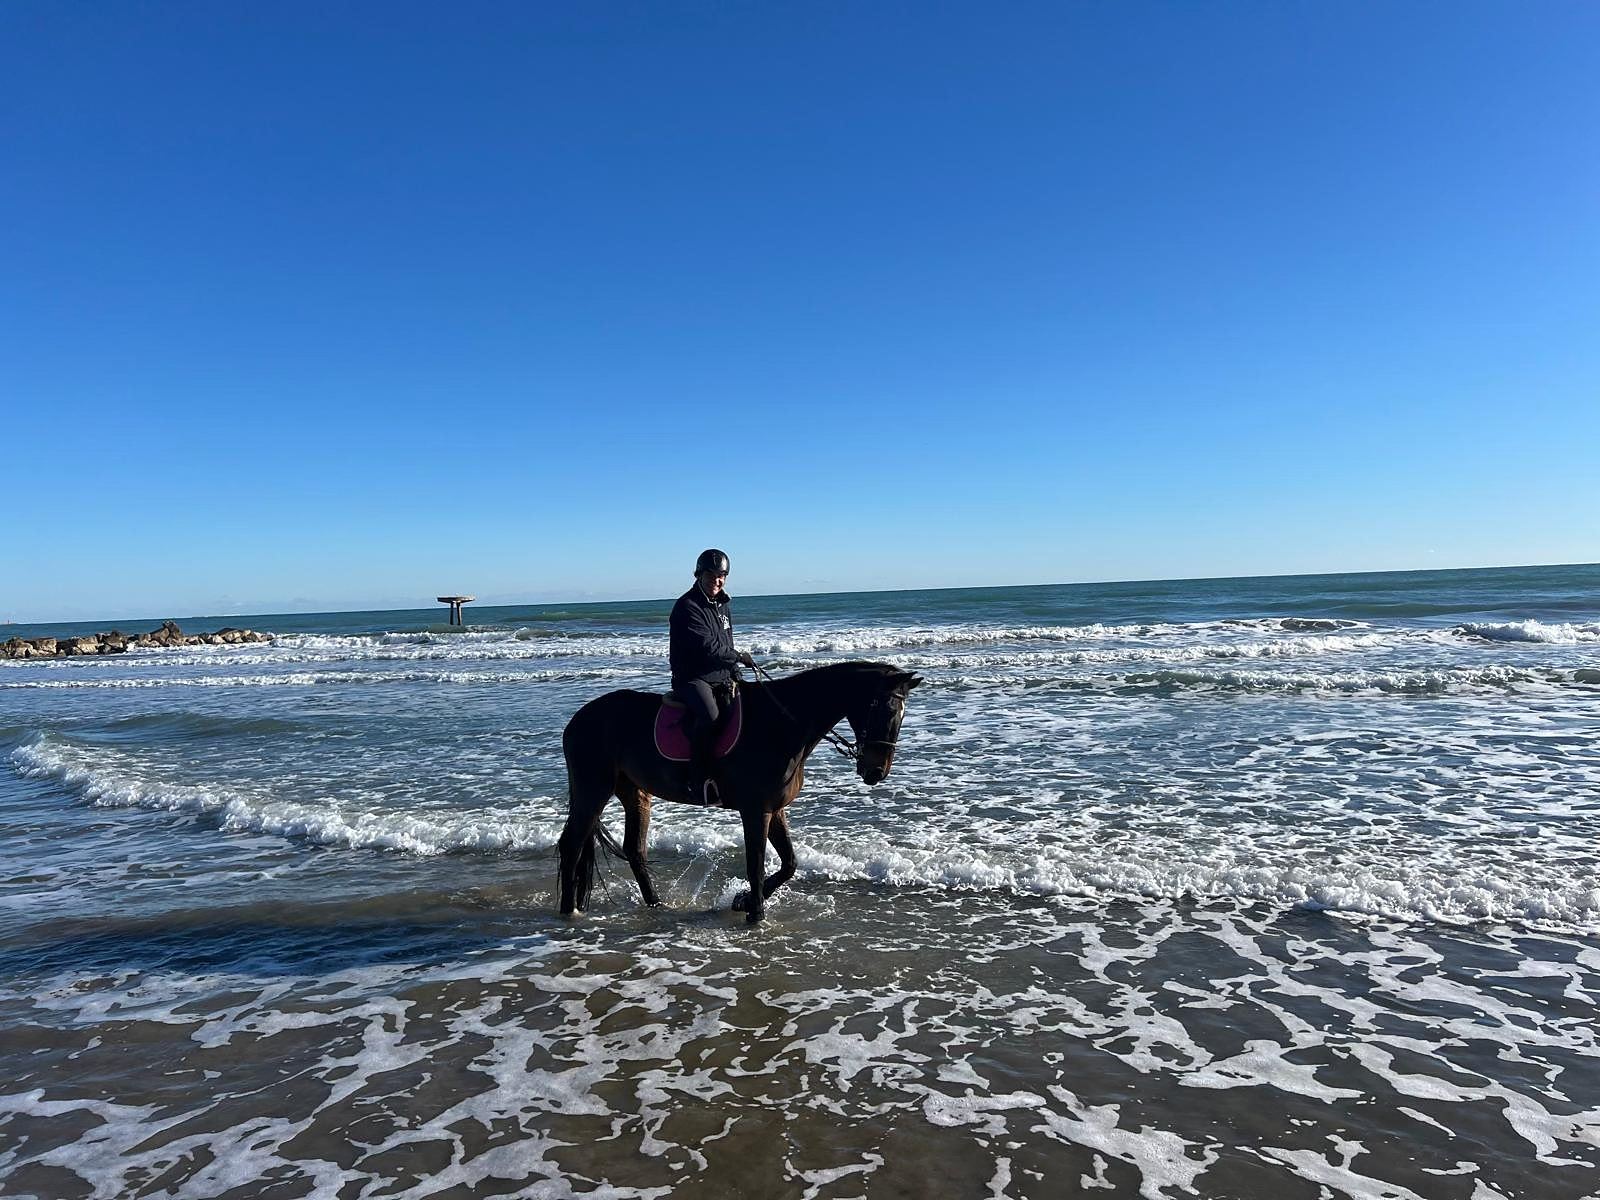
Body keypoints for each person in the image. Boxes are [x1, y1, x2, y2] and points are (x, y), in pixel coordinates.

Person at [669, 548, 756, 806]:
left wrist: (737, 675)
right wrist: (739, 657)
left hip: (720, 675)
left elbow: (726, 642)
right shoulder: (687, 607)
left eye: (722, 576)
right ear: (699, 574)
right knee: (710, 716)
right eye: (712, 575)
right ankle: (697, 782)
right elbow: (709, 647)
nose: (717, 580)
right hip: (692, 677)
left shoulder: (723, 605)